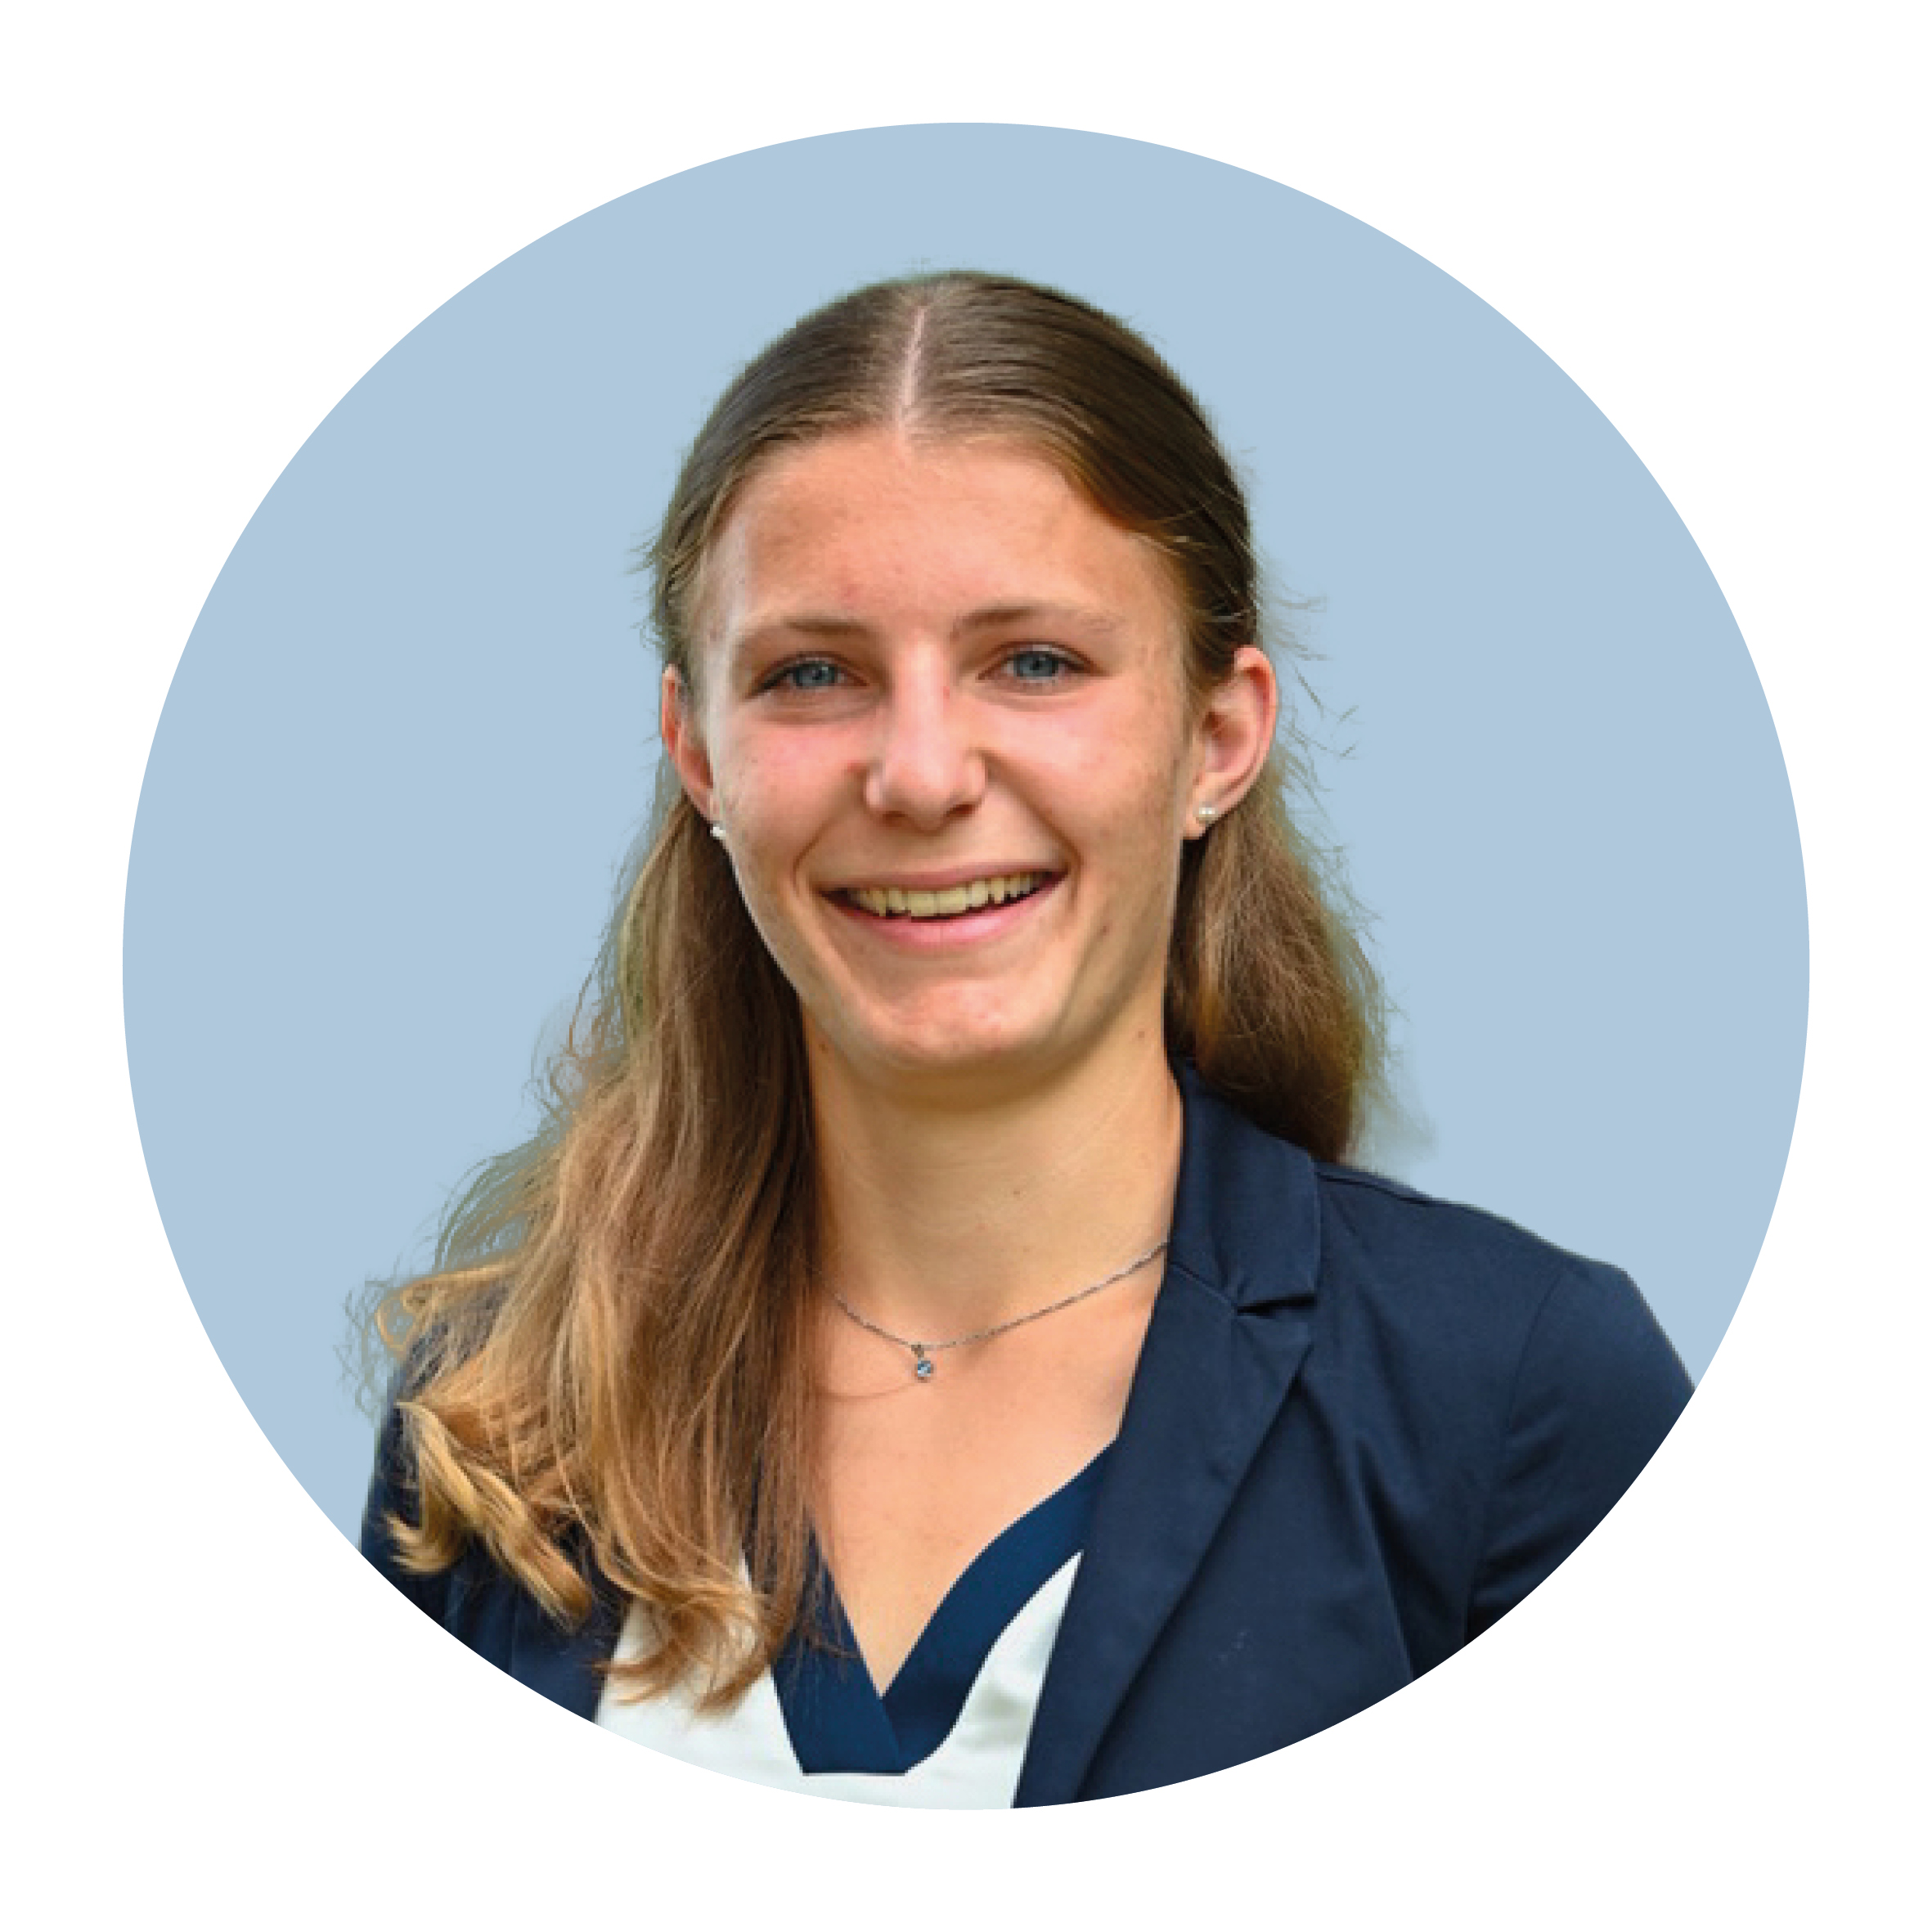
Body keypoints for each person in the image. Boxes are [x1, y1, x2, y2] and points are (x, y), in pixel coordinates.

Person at [361, 269, 1692, 1807]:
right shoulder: (496, 1428)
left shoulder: (1515, 1395)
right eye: (812, 673)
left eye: (1035, 662)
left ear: (1216, 737)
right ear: (697, 753)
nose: (920, 773)